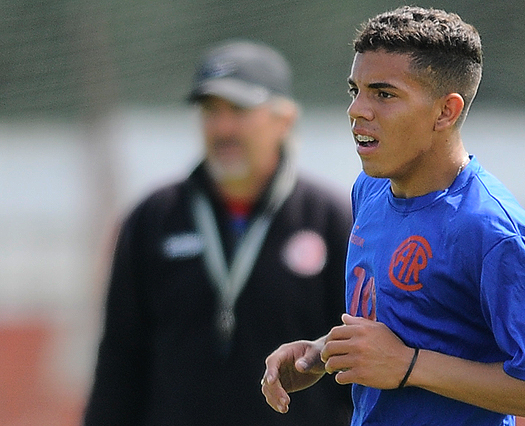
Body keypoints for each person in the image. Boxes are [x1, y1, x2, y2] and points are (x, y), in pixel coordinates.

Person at [261, 6, 525, 425]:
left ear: (445, 112)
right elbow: (406, 327)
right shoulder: (371, 191)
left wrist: (410, 366)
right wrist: (323, 351)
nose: (357, 109)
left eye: (383, 94)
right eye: (355, 90)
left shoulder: (494, 231)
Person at [83, 40, 353, 426]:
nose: (222, 127)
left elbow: (352, 359)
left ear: (285, 120)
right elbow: (119, 360)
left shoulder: (330, 217)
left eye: (239, 110)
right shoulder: (152, 218)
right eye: (211, 111)